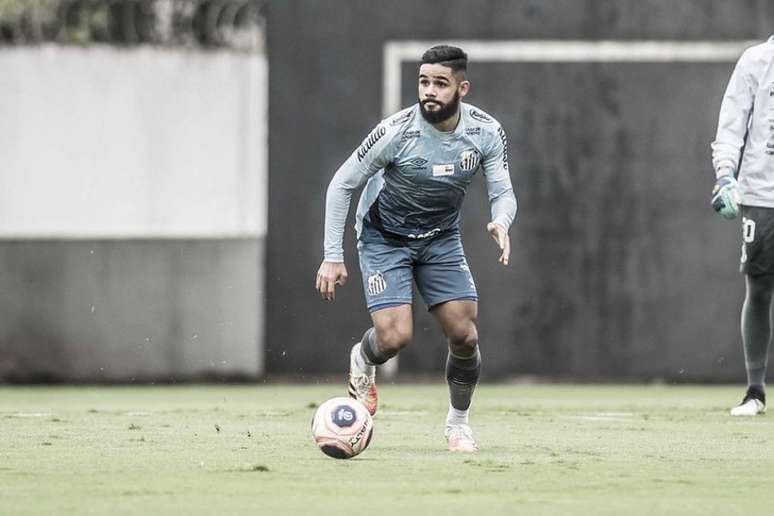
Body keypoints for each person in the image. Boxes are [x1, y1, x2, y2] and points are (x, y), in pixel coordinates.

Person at [315, 45, 517, 451]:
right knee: (393, 338)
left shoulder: (486, 132)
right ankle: (363, 359)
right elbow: (342, 184)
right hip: (383, 239)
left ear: (462, 87)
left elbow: (504, 192)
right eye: (423, 81)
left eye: (440, 84)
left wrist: (501, 221)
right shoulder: (395, 132)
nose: (429, 91)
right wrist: (332, 255)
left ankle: (458, 424)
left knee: (465, 334)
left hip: (440, 239)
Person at [711, 36, 774, 416]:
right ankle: (755, 391)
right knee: (760, 287)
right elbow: (732, 124)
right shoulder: (757, 60)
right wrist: (725, 175)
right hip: (762, 195)